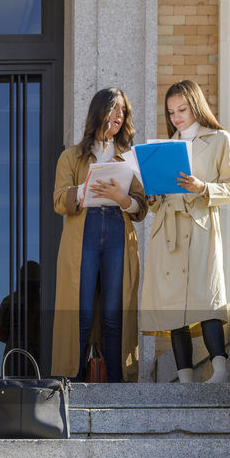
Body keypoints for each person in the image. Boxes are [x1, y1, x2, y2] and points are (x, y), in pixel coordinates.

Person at [139, 80, 230, 383]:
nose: (177, 117)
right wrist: (153, 196)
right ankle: (184, 379)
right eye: (171, 112)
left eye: (182, 109)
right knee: (173, 306)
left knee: (205, 298)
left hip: (199, 227)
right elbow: (161, 200)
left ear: (196, 105)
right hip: (167, 232)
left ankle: (220, 369)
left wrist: (203, 188)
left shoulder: (221, 140)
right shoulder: (166, 147)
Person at [52, 88, 148, 382]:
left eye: (123, 111)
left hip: (118, 230)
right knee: (79, 312)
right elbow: (58, 201)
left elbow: (141, 207)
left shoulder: (129, 158)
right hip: (85, 230)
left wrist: (121, 197)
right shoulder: (71, 156)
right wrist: (86, 188)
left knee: (113, 312)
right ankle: (73, 380)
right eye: (114, 109)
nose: (119, 116)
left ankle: (119, 384)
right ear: (99, 112)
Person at [0, 260, 43, 367]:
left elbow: (1, 335)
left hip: (13, 357)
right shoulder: (42, 304)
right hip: (35, 359)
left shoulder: (9, 302)